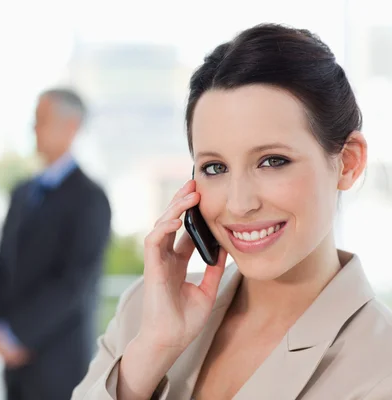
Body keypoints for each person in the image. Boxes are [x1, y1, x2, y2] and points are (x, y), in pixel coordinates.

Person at [73, 23, 392, 399]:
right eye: (215, 168)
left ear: (349, 162)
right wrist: (154, 350)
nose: (239, 204)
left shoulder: (378, 366)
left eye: (273, 161)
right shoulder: (148, 310)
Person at [0, 88, 112, 400]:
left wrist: (19, 336)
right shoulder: (22, 192)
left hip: (59, 362)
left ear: (71, 128)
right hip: (13, 365)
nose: (34, 130)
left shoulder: (90, 199)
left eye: (41, 121)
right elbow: (2, 266)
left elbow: (74, 283)